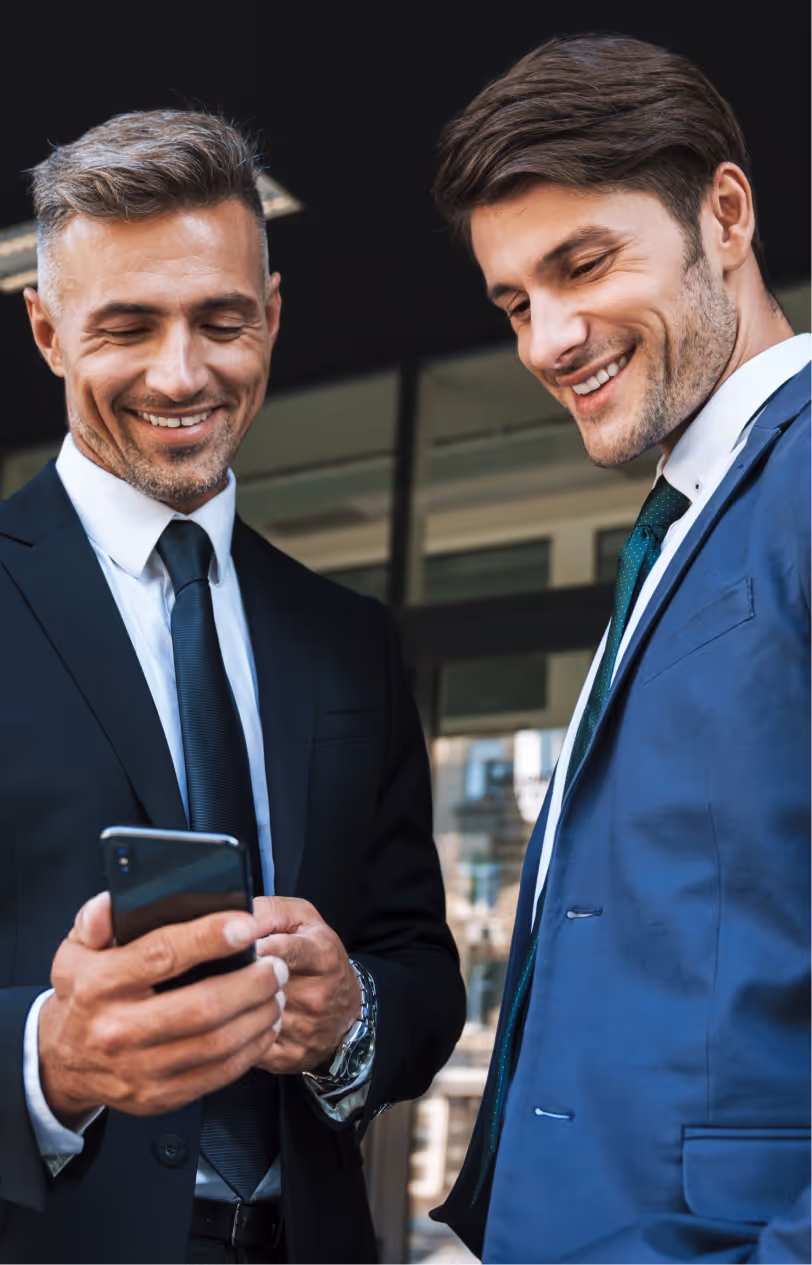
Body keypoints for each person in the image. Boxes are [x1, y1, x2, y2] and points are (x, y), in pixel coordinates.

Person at [0, 110, 466, 1265]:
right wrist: (46, 1059)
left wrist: (349, 1015)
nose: (181, 371)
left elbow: (418, 967)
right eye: (126, 326)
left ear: (271, 313)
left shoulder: (348, 639)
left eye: (219, 319)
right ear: (48, 329)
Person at [429, 33, 810, 1265]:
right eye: (513, 302)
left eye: (582, 264)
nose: (545, 339)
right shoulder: (684, 525)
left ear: (726, 214)